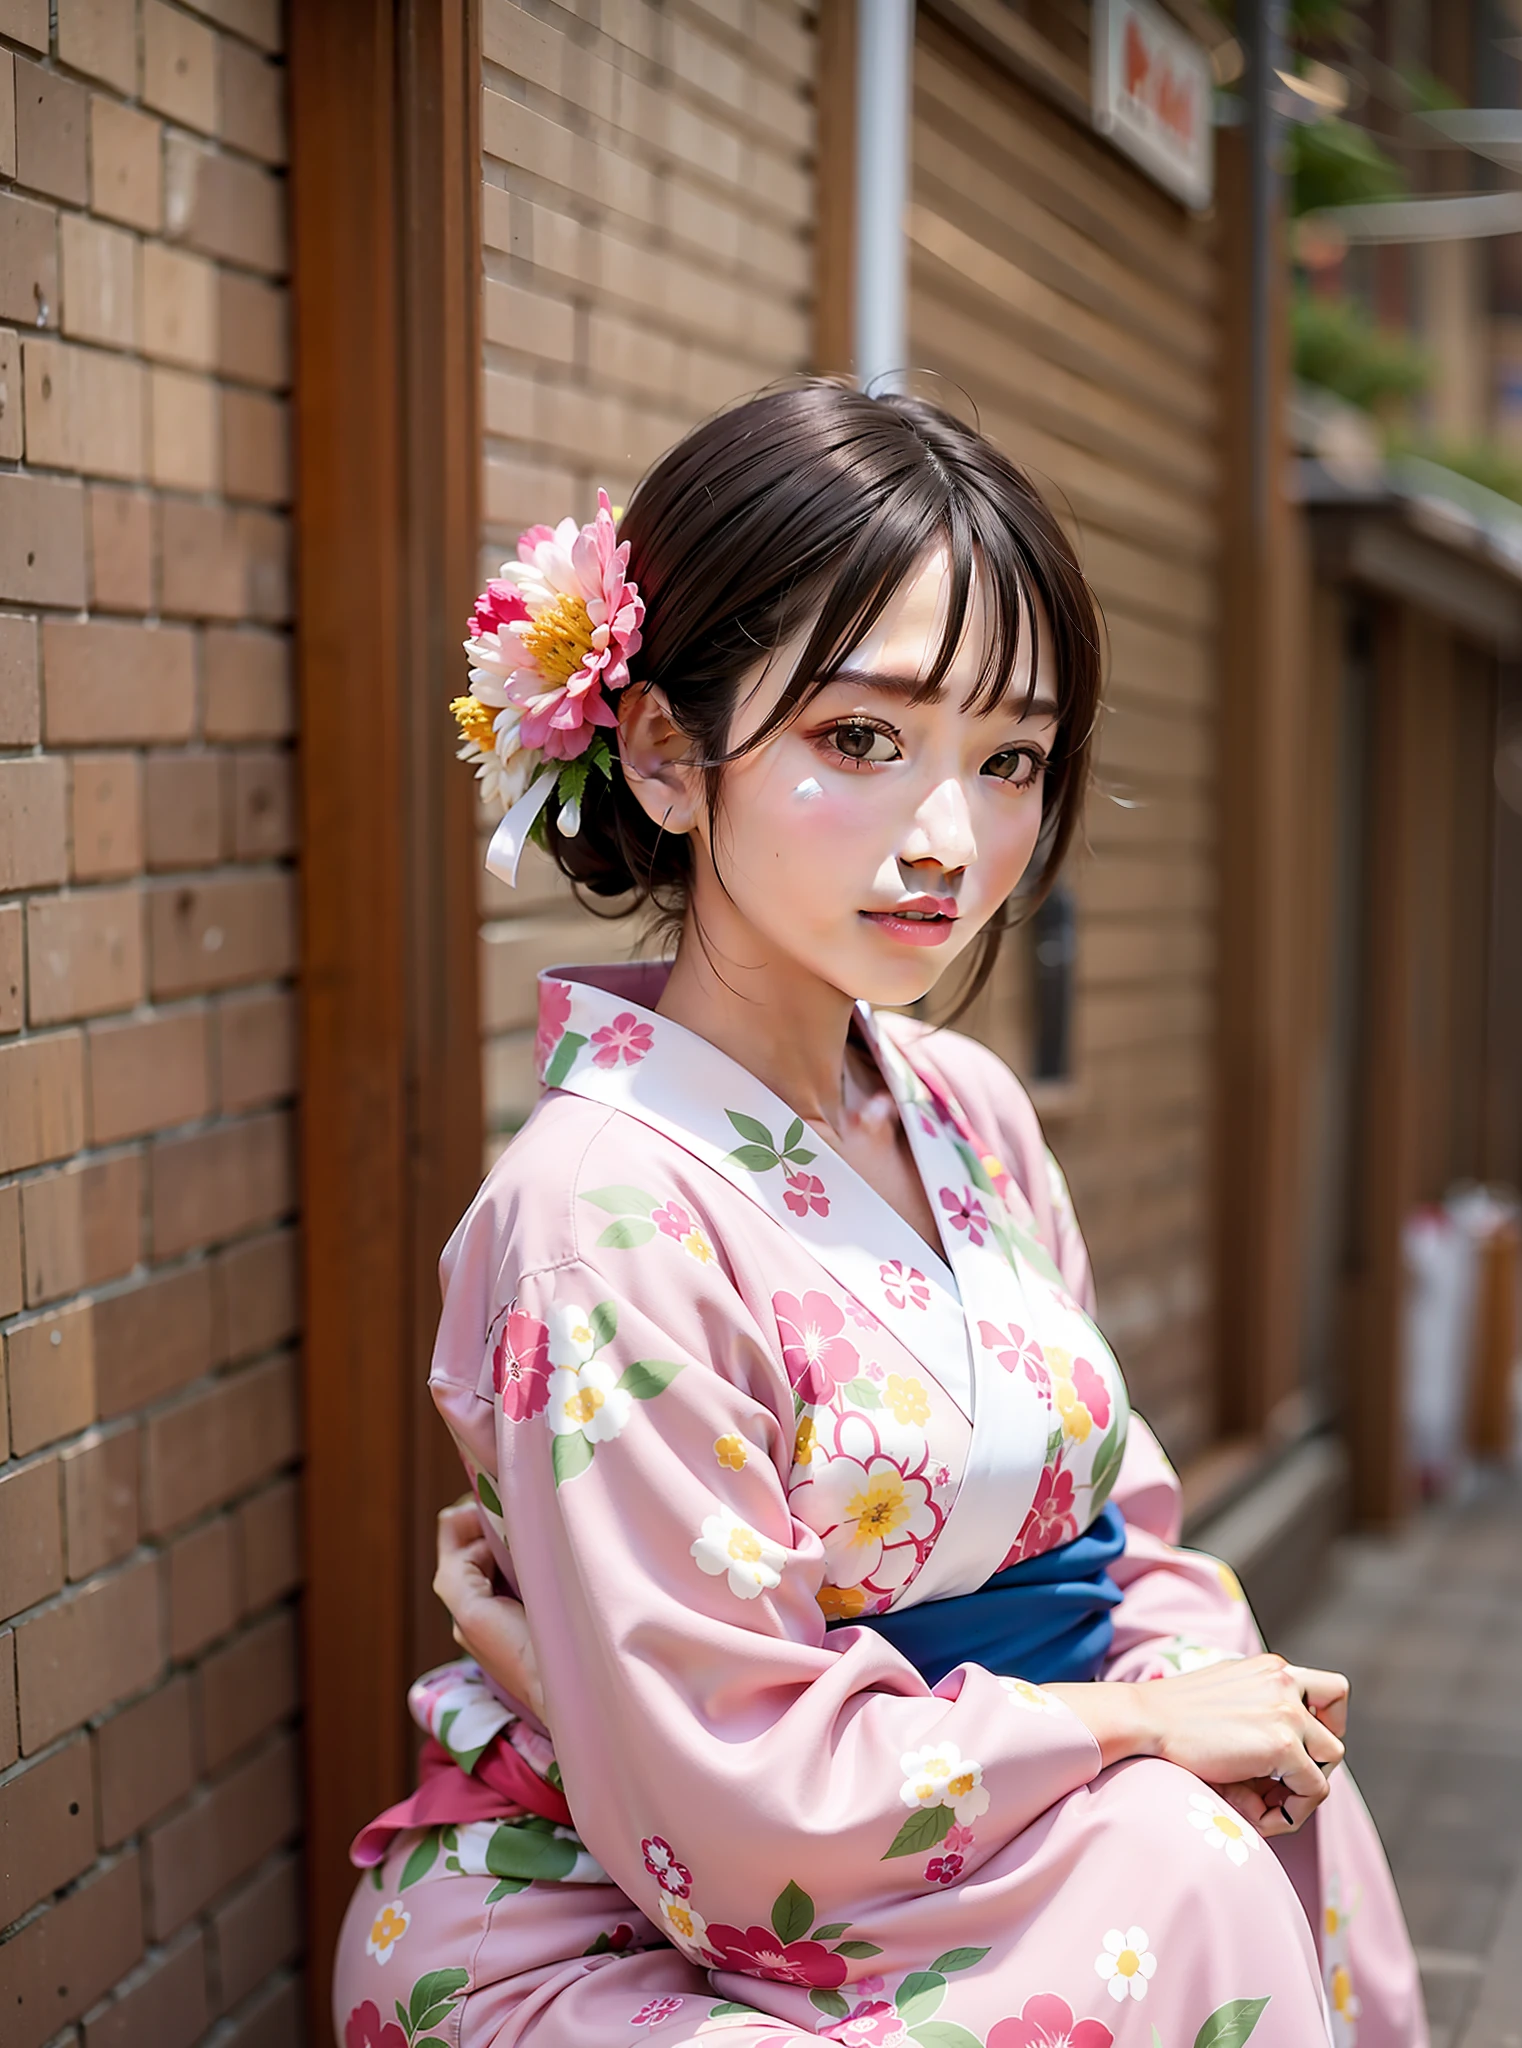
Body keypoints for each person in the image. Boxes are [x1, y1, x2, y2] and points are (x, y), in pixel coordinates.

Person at [332, 384, 1426, 2048]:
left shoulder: (962, 1107)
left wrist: (1190, 1699)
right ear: (665, 756)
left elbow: (1119, 1530)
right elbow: (724, 1793)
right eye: (862, 739)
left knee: (1242, 1818)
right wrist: (1122, 1742)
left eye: (1011, 760)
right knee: (1177, 1866)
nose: (952, 839)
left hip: (947, 1842)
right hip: (646, 1921)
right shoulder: (595, 1217)